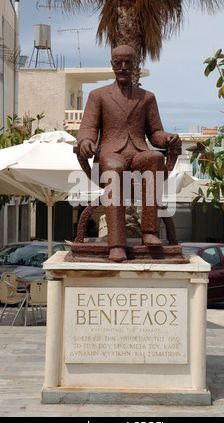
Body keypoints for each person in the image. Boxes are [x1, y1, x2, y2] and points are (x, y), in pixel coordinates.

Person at [77, 45, 181, 261]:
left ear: (135, 65)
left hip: (138, 151)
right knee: (114, 168)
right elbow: (88, 127)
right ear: (112, 65)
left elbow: (154, 132)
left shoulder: (147, 98)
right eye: (119, 63)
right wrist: (86, 141)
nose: (123, 67)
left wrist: (167, 138)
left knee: (155, 157)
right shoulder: (98, 96)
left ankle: (150, 232)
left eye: (128, 63)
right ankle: (116, 244)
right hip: (110, 153)